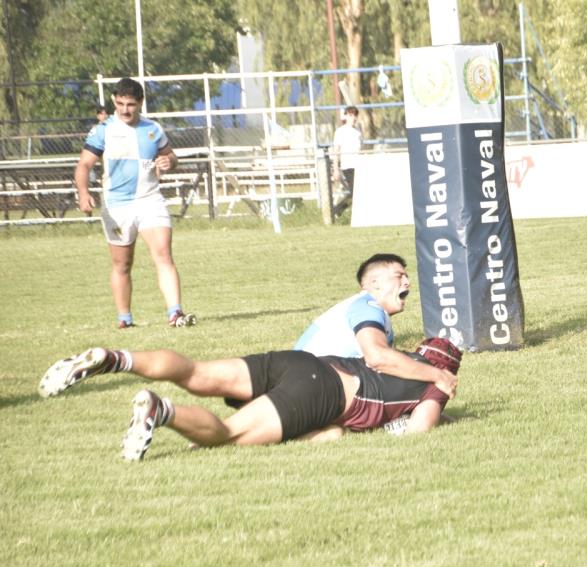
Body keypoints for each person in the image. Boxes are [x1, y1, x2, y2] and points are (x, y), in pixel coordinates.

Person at [37, 337, 463, 460]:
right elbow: (418, 431)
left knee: (195, 372)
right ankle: (159, 410)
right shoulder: (434, 383)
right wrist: (443, 400)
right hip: (323, 392)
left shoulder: (400, 359)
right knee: (226, 435)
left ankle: (115, 358)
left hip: (300, 362)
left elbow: (379, 362)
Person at [74, 77, 196, 329]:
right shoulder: (103, 130)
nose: (124, 110)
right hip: (117, 206)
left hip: (150, 200)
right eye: (120, 104)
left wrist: (170, 162)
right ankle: (125, 319)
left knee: (163, 254)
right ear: (114, 101)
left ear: (140, 103)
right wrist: (83, 193)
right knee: (122, 264)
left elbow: (170, 157)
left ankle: (175, 313)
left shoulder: (153, 129)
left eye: (130, 104)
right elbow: (84, 164)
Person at [294, 253, 458, 397]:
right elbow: (377, 357)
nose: (407, 282)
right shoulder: (367, 306)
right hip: (309, 388)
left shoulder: (368, 310)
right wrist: (437, 375)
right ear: (375, 283)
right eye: (399, 276)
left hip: (309, 386)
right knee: (422, 367)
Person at [331, 106, 362, 216]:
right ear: (346, 116)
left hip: (358, 165)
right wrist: (336, 169)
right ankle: (336, 210)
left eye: (355, 115)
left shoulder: (358, 132)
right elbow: (336, 151)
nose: (353, 118)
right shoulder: (340, 132)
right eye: (350, 115)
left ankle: (338, 211)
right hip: (348, 166)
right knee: (355, 192)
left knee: (357, 192)